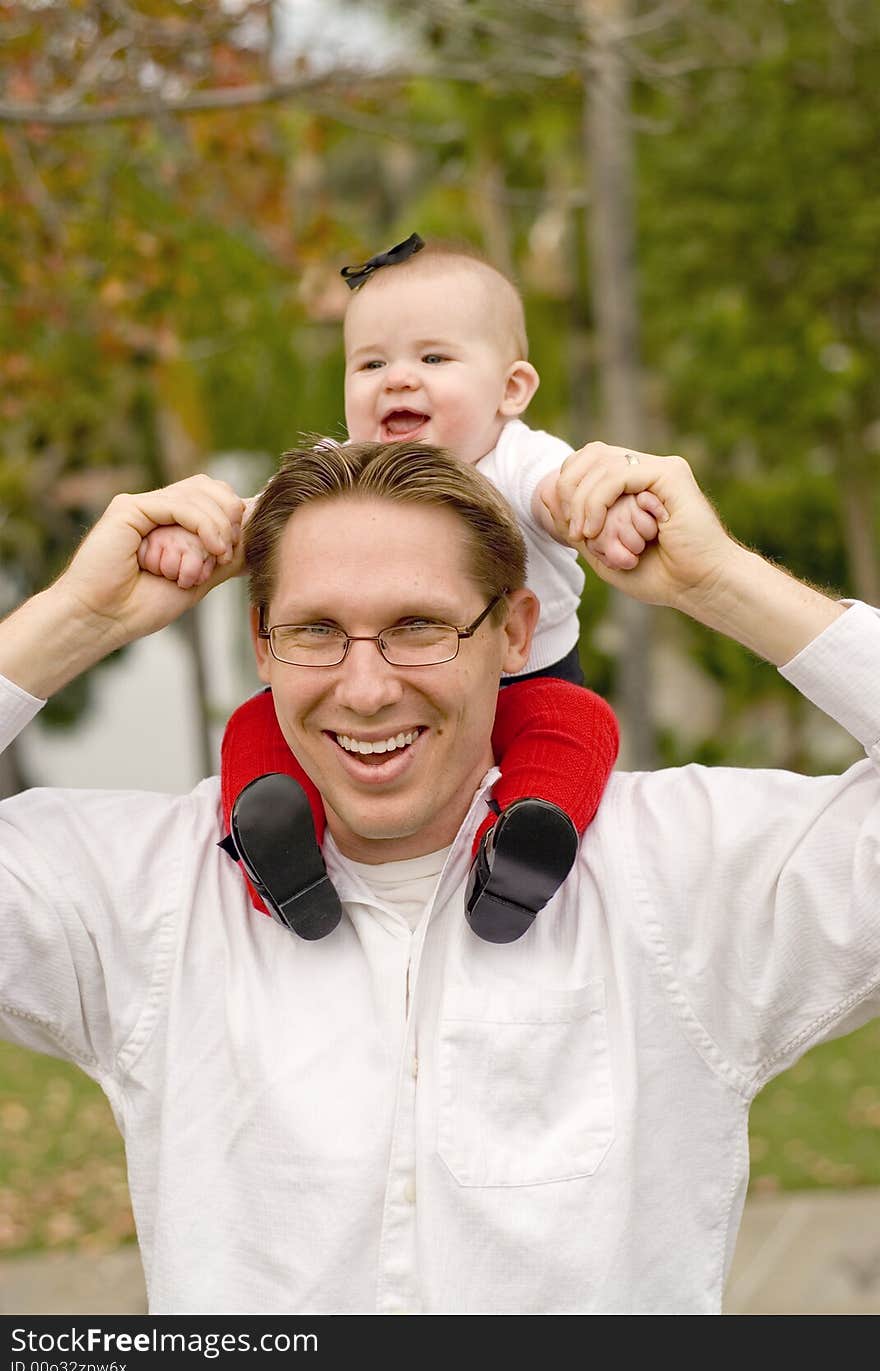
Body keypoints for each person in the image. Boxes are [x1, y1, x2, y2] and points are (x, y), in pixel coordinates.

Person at [1, 437, 878, 1316]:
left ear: (514, 633)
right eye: (315, 631)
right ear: (261, 645)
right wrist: (81, 615)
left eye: (419, 626)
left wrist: (717, 581)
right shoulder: (142, 893)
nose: (368, 687)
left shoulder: (681, 873)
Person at [137, 234, 666, 943]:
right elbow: (246, 528)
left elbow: (563, 495)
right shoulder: (338, 471)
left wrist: (609, 509)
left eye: (434, 358)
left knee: (579, 726)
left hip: (532, 678)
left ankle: (525, 842)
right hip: (380, 680)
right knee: (254, 727)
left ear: (511, 389)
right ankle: (276, 848)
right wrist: (190, 539)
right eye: (372, 362)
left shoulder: (516, 457)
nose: (398, 378)